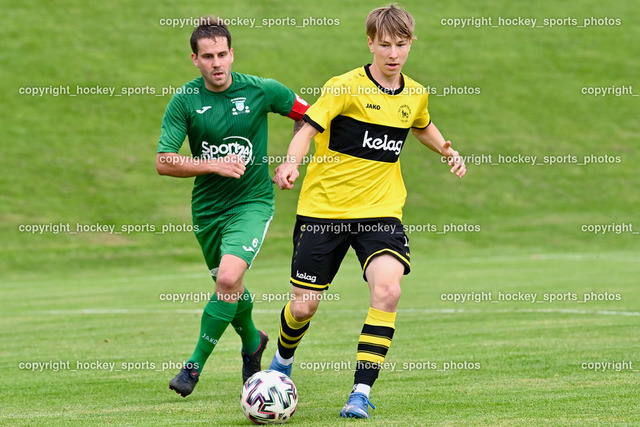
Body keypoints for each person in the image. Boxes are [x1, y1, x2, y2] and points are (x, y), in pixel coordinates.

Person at [269, 5, 466, 419]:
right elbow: (307, 127)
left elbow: (420, 123)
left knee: (389, 289)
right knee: (303, 306)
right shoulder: (344, 87)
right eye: (384, 45)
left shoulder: (414, 93)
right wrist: (291, 163)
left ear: (410, 43)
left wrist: (447, 149)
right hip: (323, 212)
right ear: (370, 43)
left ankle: (360, 391)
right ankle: (282, 363)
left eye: (401, 45)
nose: (393, 54)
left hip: (381, 213)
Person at [156, 16, 309, 397]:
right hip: (207, 211)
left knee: (226, 279)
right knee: (231, 286)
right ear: (195, 59)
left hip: (252, 202)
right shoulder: (186, 101)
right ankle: (252, 343)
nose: (217, 63)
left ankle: (192, 368)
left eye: (222, 54)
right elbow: (164, 160)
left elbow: (310, 116)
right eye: (208, 56)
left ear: (232, 54)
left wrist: (291, 161)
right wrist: (212, 164)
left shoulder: (260, 90)